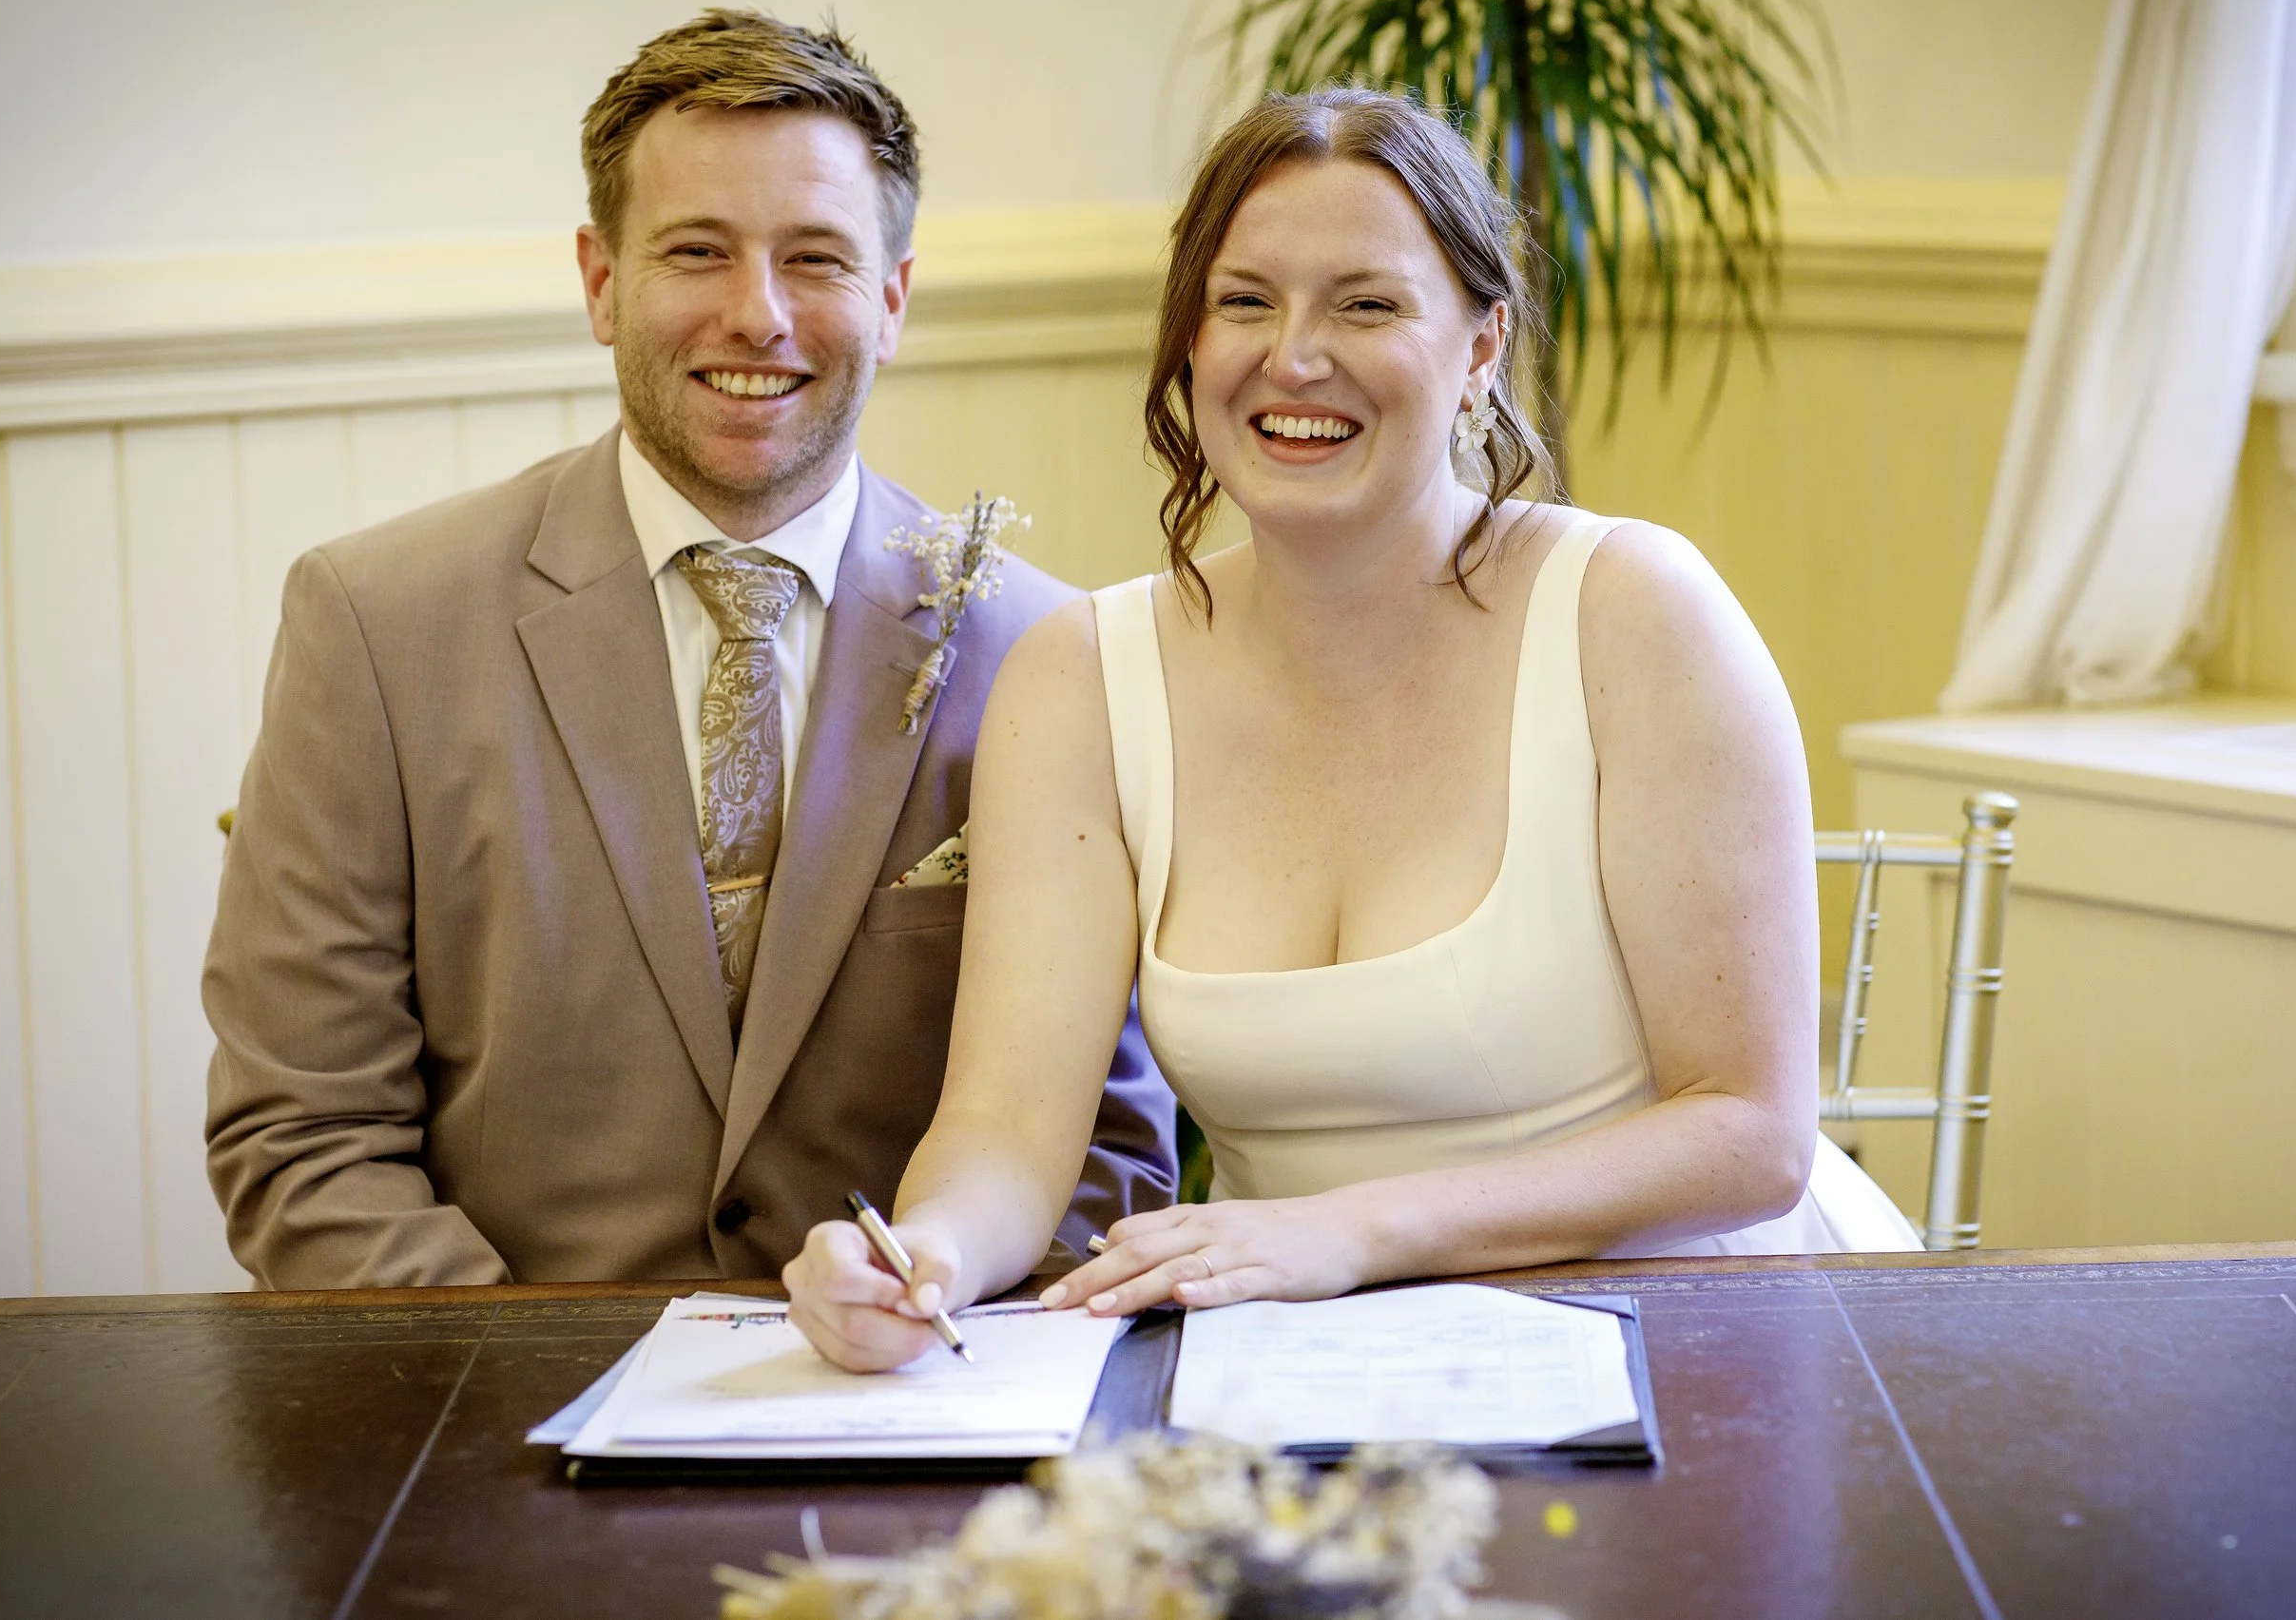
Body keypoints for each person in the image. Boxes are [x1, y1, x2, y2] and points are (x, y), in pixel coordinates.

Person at [784, 87, 1918, 1370]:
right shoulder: (1080, 677)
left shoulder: (1636, 614)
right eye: (1246, 301)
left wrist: (1354, 1231)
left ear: (1483, 347)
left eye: (1366, 304)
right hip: (1297, 1368)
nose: (1295, 357)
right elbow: (1006, 1126)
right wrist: (918, 1253)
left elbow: (1752, 1131)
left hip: (1696, 1342)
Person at [203, 10, 1176, 1289]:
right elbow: (304, 1140)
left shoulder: (1045, 651)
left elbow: (1108, 1147)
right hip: (507, 1423)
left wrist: (920, 1335)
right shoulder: (374, 625)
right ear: (602, 283)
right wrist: (536, 1390)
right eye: (697, 252)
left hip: (919, 1413)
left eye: (815, 258)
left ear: (891, 300)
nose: (757, 314)